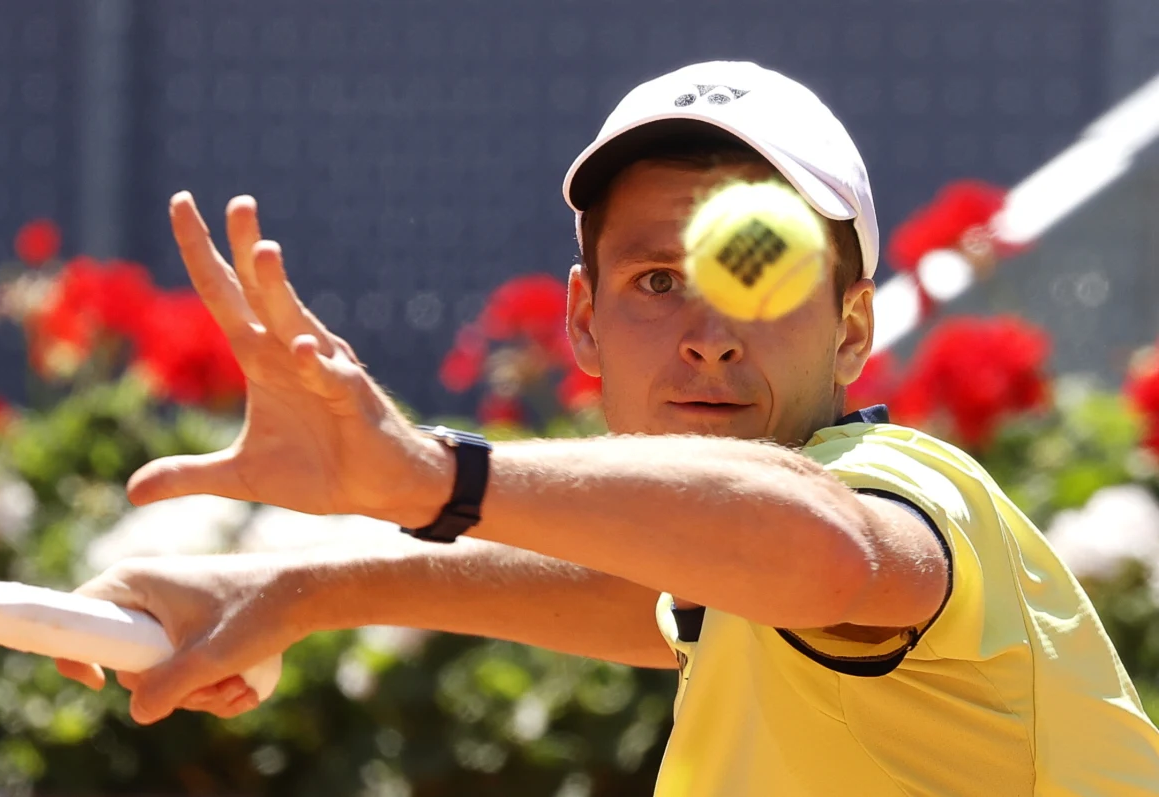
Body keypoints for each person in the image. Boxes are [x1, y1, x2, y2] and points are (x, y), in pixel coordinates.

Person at [57, 60, 1159, 795]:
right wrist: (296, 590)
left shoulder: (907, 485)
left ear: (852, 329)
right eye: (658, 280)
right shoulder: (733, 583)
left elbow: (824, 551)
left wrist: (431, 475)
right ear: (583, 320)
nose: (710, 334)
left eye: (764, 273)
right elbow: (670, 595)